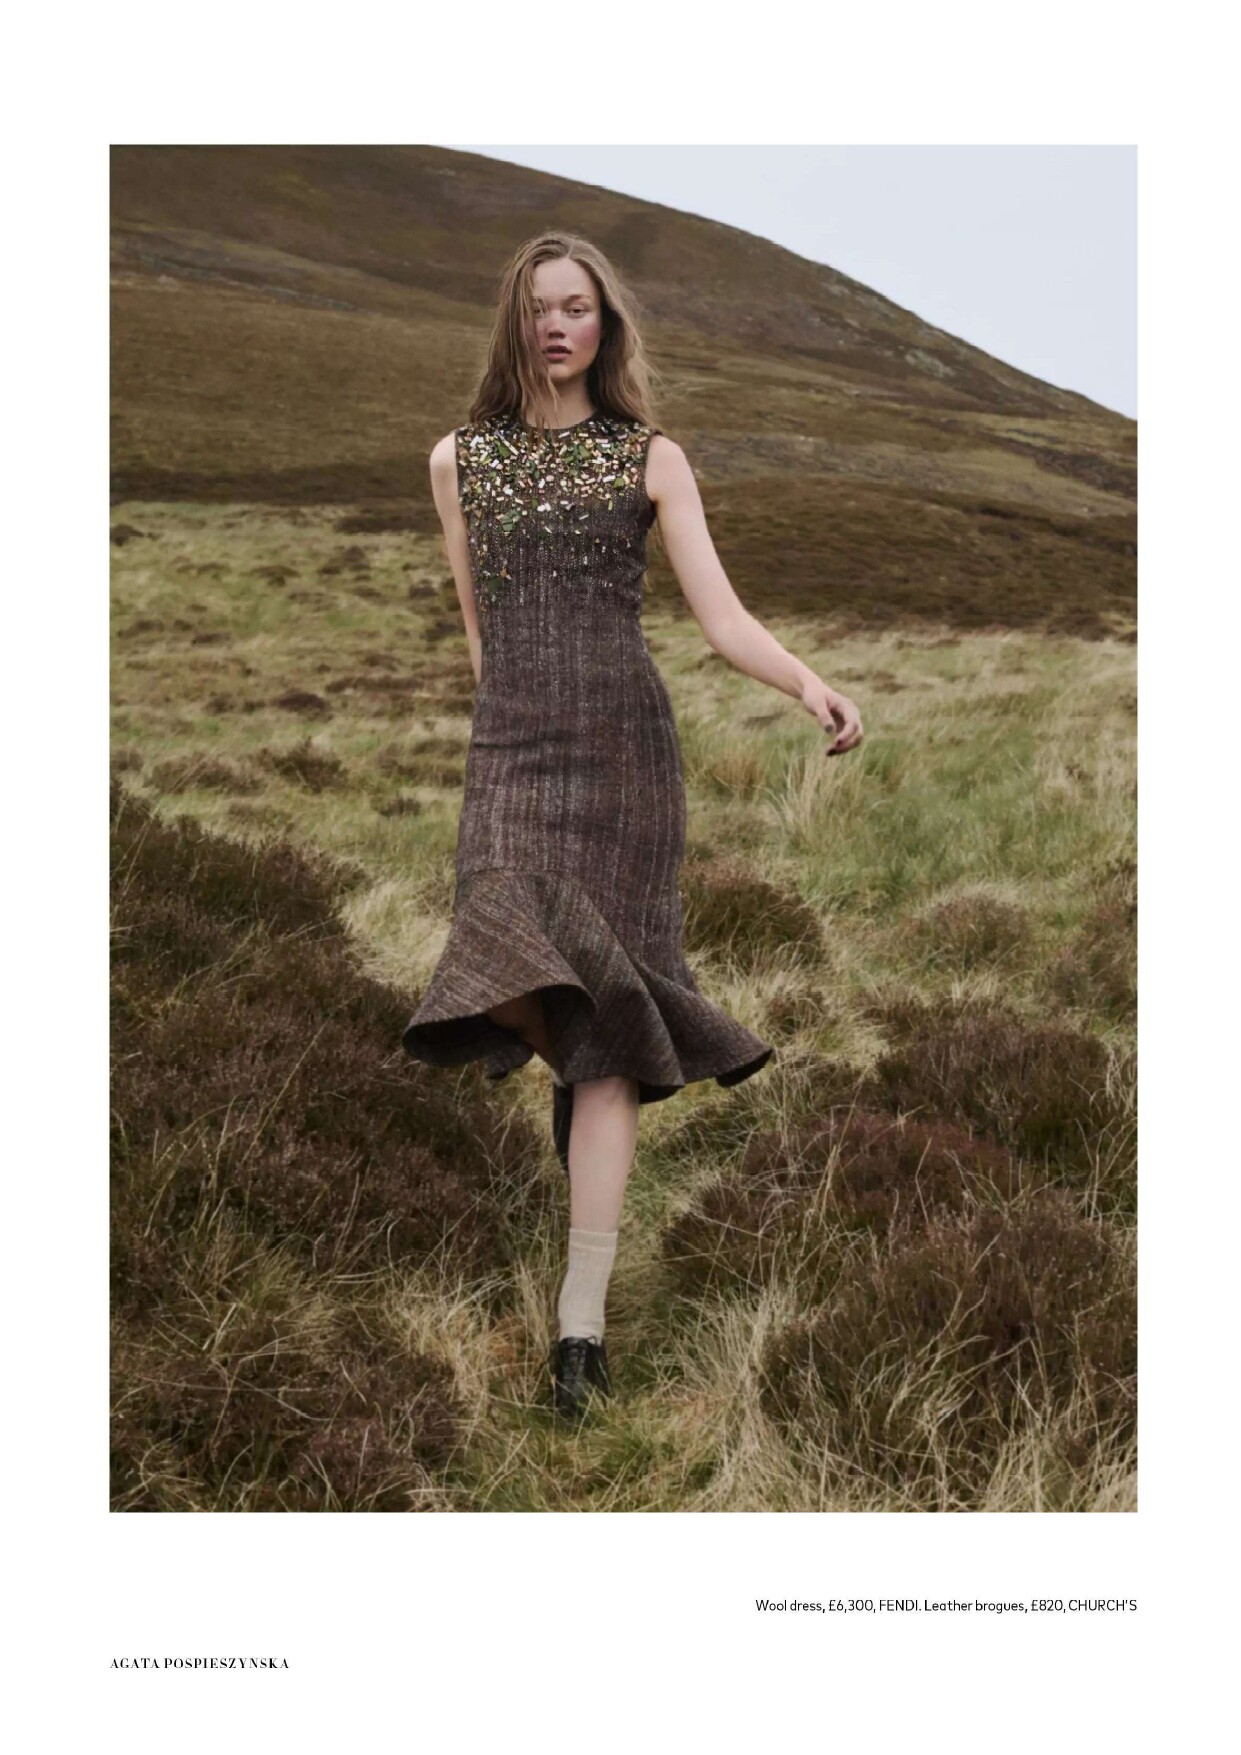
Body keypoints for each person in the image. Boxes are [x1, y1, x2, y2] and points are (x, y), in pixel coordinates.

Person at [402, 232, 863, 1419]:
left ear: (604, 325)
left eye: (578, 307)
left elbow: (720, 617)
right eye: (539, 307)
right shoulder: (458, 460)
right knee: (502, 945)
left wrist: (804, 682)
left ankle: (580, 1333)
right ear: (513, 322)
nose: (557, 325)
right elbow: (478, 628)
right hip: (514, 751)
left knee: (608, 1032)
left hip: (625, 760)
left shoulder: (650, 458)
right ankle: (576, 1057)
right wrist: (503, 729)